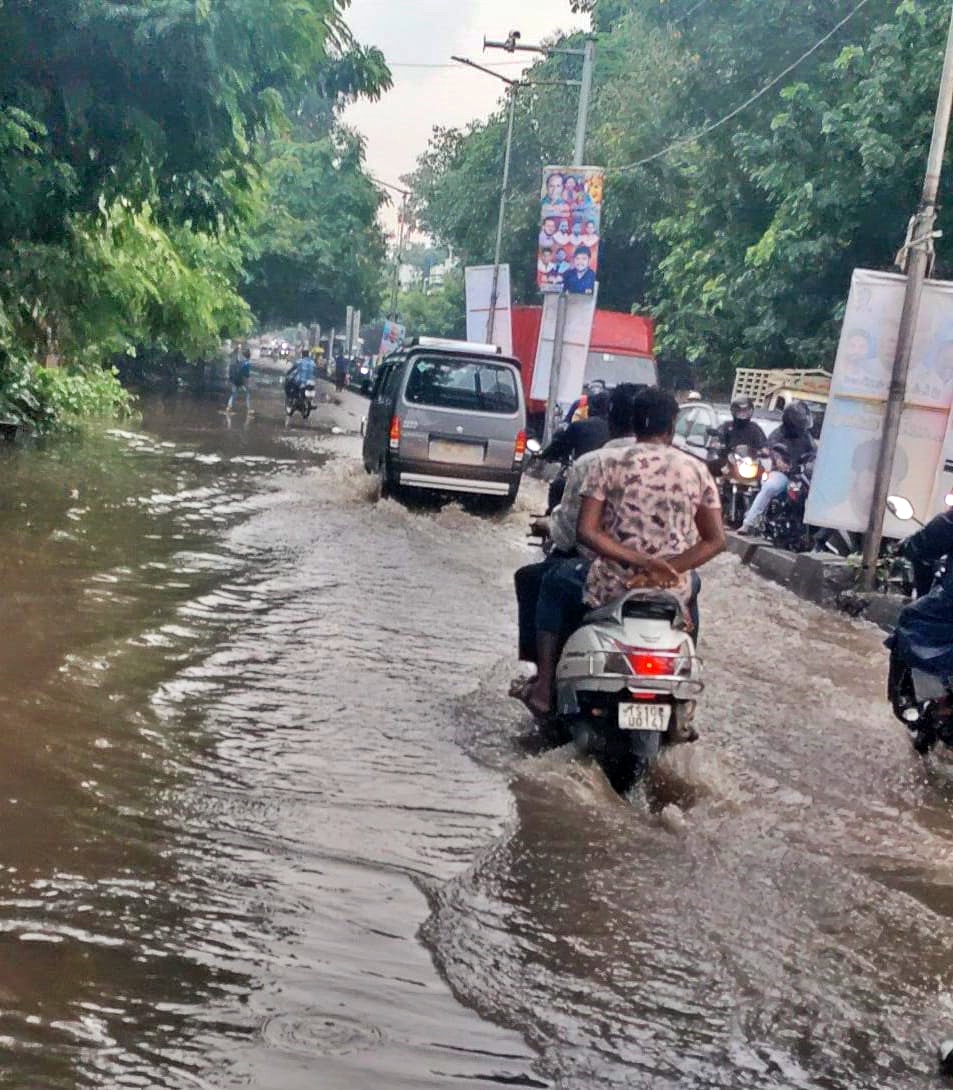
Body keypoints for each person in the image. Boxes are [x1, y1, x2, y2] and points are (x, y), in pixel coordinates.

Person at [520, 387, 725, 717]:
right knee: (693, 590)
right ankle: (685, 704)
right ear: (672, 426)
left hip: (610, 584)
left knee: (552, 583)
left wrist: (641, 562)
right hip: (670, 588)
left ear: (633, 423)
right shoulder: (696, 469)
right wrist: (665, 569)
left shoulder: (606, 462)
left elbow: (586, 532)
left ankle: (544, 687)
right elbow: (715, 540)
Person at [511, 384, 642, 677]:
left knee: (538, 579)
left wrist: (549, 525)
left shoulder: (592, 463)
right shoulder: (682, 467)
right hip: (665, 577)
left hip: (601, 572)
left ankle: (543, 680)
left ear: (611, 417)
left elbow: (572, 533)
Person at [738, 401, 815, 536]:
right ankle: (748, 523)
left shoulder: (806, 437)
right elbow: (771, 447)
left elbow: (814, 453)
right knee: (770, 487)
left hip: (800, 476)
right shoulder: (779, 433)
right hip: (782, 474)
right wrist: (778, 460)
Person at [225, 347, 253, 414]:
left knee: (234, 394)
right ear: (249, 356)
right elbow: (246, 374)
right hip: (242, 381)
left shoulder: (240, 362)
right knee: (247, 394)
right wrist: (248, 381)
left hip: (235, 380)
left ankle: (228, 407)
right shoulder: (247, 363)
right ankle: (249, 410)